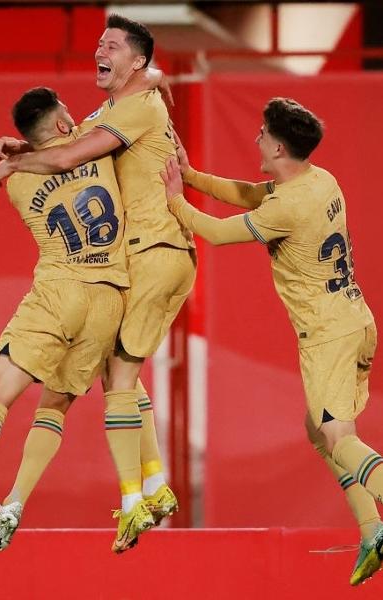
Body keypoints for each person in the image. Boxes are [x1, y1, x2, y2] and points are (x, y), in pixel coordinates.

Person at [0, 14, 196, 553]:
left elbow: (63, 154)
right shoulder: (113, 109)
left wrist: (18, 163)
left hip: (155, 251)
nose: (98, 52)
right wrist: (17, 144)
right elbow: (69, 136)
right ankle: (154, 486)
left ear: (137, 60)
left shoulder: (135, 105)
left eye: (111, 46)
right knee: (117, 367)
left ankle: (135, 503)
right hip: (149, 255)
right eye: (98, 45)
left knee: (119, 379)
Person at [161, 98, 383, 587]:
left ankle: (377, 524)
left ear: (279, 146)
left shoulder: (289, 204)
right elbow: (250, 195)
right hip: (356, 321)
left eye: (262, 133)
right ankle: (372, 531)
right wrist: (193, 175)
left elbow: (217, 234)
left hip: (327, 334)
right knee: (319, 430)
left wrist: (175, 197)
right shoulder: (320, 181)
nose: (256, 139)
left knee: (338, 438)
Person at [0, 86, 130, 552]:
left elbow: (53, 158)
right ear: (64, 124)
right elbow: (74, 146)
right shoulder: (99, 140)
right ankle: (17, 501)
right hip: (109, 299)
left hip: (59, 292)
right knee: (55, 405)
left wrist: (18, 151)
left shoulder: (18, 183)